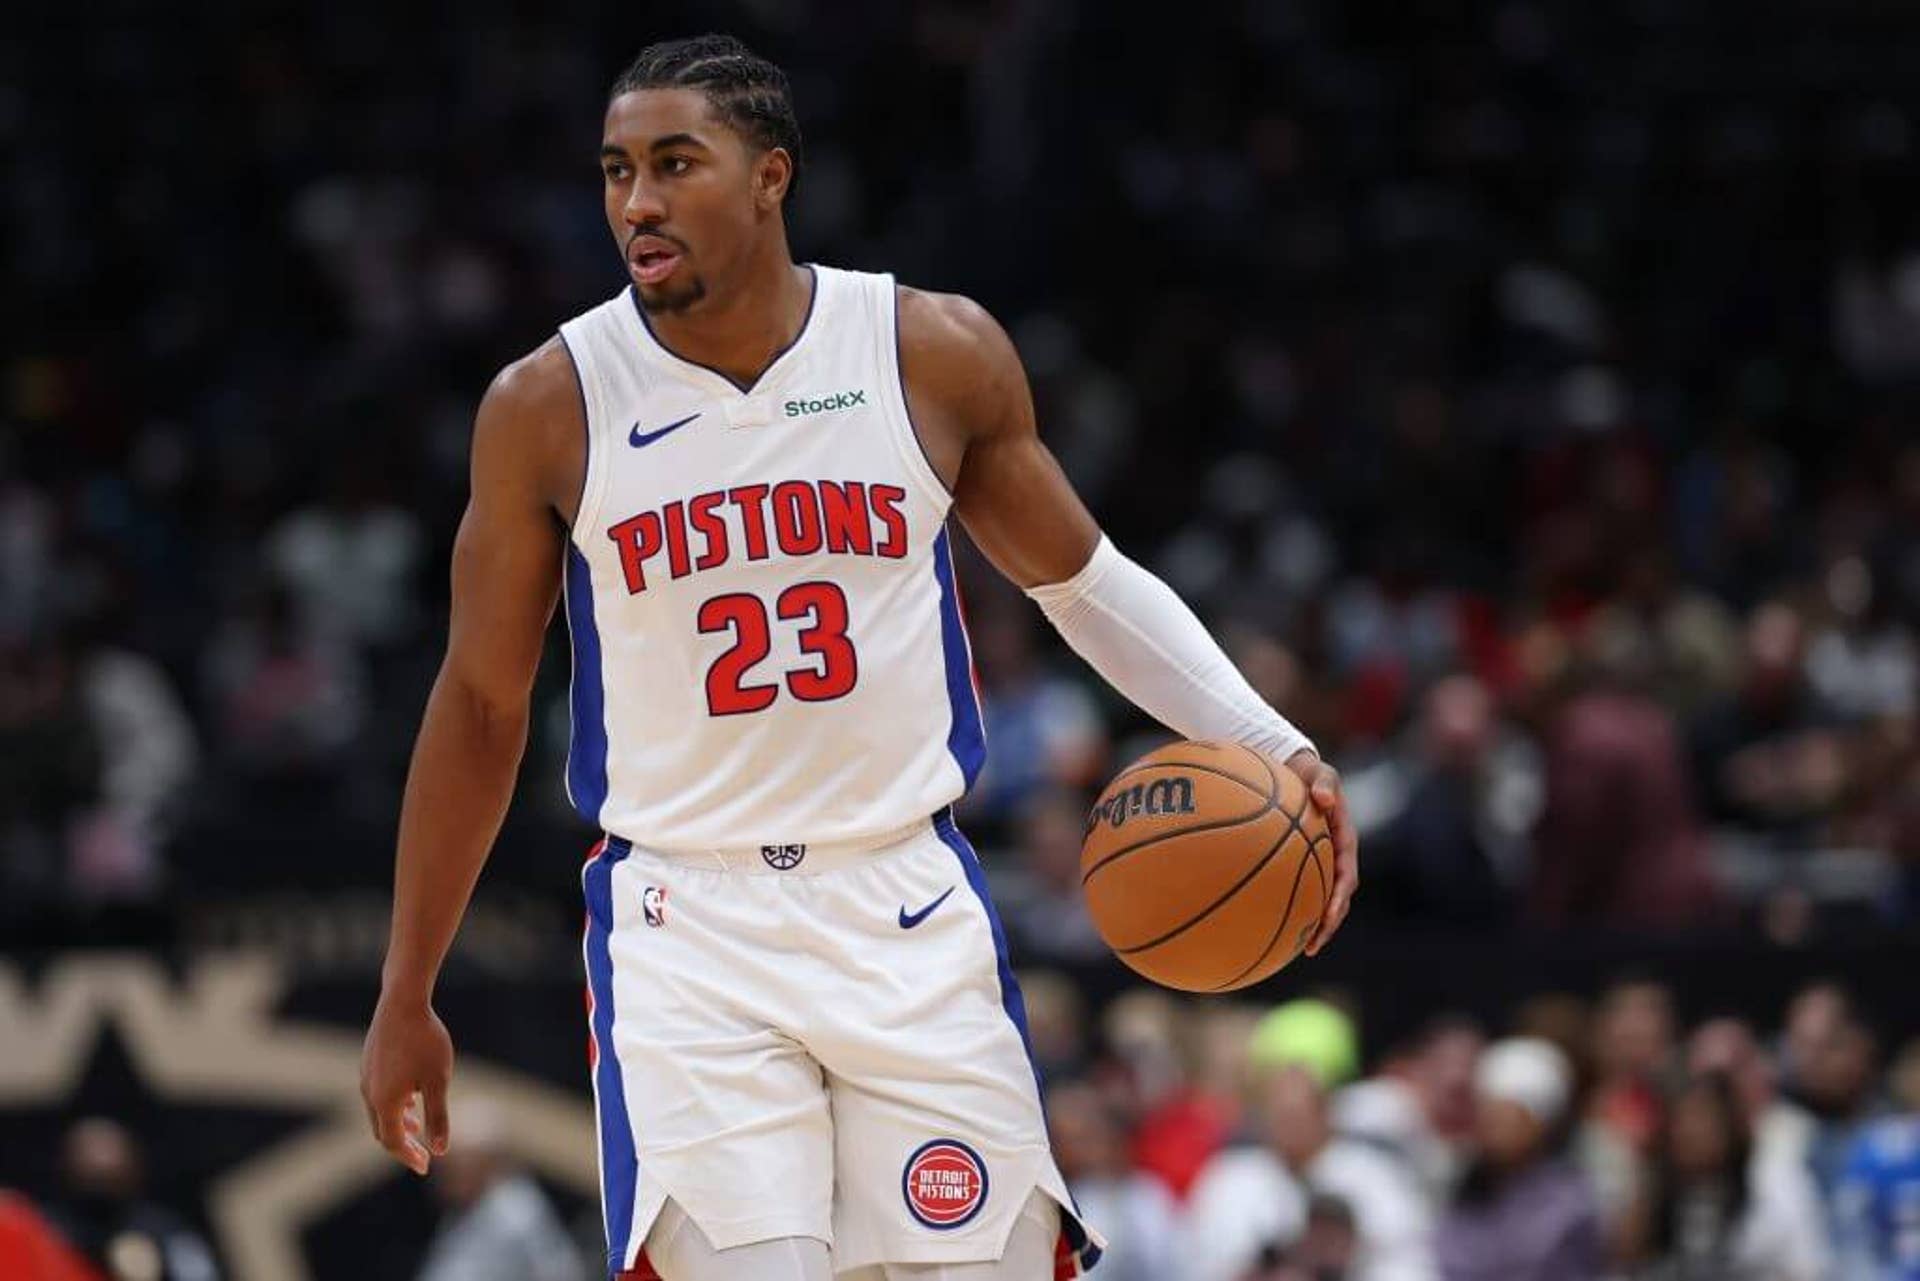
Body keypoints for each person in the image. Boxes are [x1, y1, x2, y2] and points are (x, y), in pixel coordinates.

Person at [358, 32, 1359, 1281]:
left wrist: (1276, 743)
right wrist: (409, 986)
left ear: (772, 176)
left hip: (906, 903)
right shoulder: (548, 405)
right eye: (618, 171)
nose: (638, 202)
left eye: (677, 164)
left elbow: (1084, 585)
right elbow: (480, 705)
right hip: (689, 924)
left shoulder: (925, 353)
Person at [1434, 1038, 1602, 1281]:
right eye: (1488, 1114)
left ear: (1539, 1125)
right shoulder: (1458, 1188)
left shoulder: (1572, 1202)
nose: (1492, 1128)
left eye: (1506, 1117)